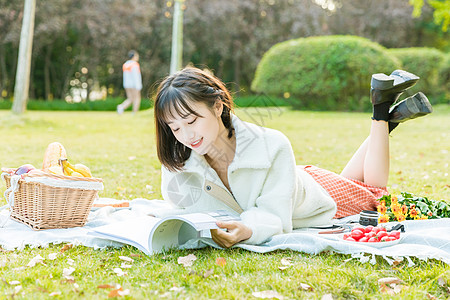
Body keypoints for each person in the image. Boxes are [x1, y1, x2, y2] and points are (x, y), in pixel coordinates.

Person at [153, 67, 433, 248]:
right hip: (297, 178)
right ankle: (387, 120)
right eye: (175, 127)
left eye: (191, 121)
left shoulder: (271, 144)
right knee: (353, 180)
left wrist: (248, 229)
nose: (186, 135)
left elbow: (273, 213)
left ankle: (380, 110)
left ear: (217, 107)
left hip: (314, 195)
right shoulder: (180, 159)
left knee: (376, 192)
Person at [117, 50, 143, 114]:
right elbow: (136, 76)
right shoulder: (135, 64)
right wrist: (138, 86)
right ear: (134, 56)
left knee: (130, 98)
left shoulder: (126, 64)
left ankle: (121, 107)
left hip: (127, 84)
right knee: (137, 98)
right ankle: (134, 112)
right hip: (134, 85)